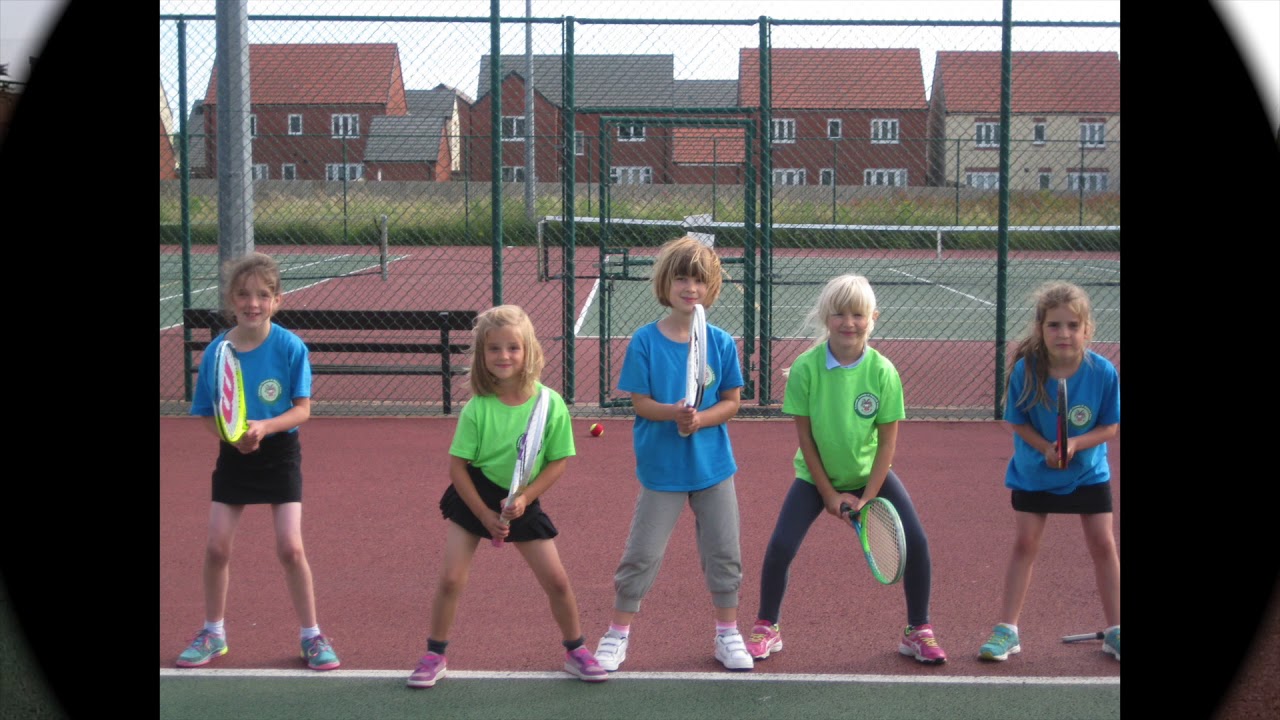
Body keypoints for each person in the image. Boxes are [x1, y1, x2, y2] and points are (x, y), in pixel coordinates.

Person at [744, 274, 949, 665]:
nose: (848, 323)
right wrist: (828, 495)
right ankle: (767, 627)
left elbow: (887, 443)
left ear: (873, 317)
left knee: (917, 544)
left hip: (871, 474)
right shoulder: (806, 369)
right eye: (839, 314)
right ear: (826, 317)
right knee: (780, 547)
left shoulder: (883, 372)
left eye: (857, 314)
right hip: (814, 476)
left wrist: (868, 498)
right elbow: (805, 439)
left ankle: (918, 630)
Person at [407, 305, 607, 688]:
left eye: (513, 348)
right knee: (451, 579)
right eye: (494, 349)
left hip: (522, 498)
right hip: (476, 494)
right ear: (482, 356)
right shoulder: (477, 410)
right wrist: (483, 514)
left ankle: (576, 650)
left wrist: (526, 498)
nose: (504, 356)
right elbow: (457, 469)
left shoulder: (550, 404)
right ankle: (434, 654)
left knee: (558, 581)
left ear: (529, 350)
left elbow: (557, 463)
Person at [593, 235, 753, 673]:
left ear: (711, 288)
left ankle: (727, 634)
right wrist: (674, 412)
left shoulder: (720, 342)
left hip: (713, 469)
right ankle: (616, 635)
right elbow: (641, 404)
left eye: (699, 281)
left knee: (724, 552)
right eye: (681, 278)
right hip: (661, 469)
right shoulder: (645, 341)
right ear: (666, 284)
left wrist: (700, 419)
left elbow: (732, 402)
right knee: (642, 553)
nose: (690, 288)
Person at [176, 252, 340, 671]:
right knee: (216, 547)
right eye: (244, 295)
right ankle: (213, 633)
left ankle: (312, 636)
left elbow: (302, 410)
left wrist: (264, 429)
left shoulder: (290, 347)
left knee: (290, 547)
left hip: (280, 453)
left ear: (278, 300)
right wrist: (232, 437)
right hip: (235, 457)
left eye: (263, 295)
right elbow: (207, 415)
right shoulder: (217, 352)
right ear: (231, 299)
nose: (253, 303)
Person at [978, 281, 1120, 663]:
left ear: (1088, 329)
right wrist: (1045, 448)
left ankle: (1117, 630)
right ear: (1041, 328)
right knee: (1025, 544)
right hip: (1034, 472)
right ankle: (1007, 630)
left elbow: (1110, 427)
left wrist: (1075, 445)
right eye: (1055, 325)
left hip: (1088, 473)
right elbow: (1016, 421)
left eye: (1073, 325)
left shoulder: (1103, 372)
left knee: (1103, 545)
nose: (1064, 333)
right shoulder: (1026, 371)